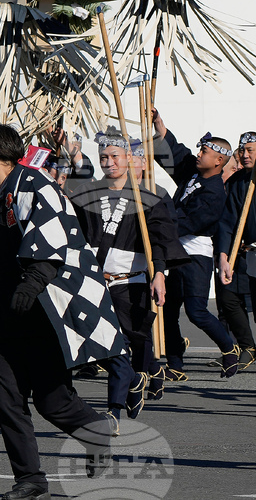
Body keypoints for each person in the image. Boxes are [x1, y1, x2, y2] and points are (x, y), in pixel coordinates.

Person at [0, 122, 118, 500]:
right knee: (4, 393)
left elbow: (53, 249)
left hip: (44, 312)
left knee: (51, 399)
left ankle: (96, 431)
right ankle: (30, 478)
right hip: (7, 316)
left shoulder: (36, 186)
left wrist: (30, 285)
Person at [70, 129, 188, 428]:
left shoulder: (147, 196)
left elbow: (161, 238)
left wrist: (159, 273)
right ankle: (134, 379)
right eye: (103, 158)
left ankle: (113, 411)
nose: (108, 162)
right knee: (100, 342)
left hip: (129, 280)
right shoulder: (88, 194)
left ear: (128, 159)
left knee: (127, 341)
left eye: (114, 157)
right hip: (95, 279)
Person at [151, 112, 239, 380]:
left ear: (219, 161)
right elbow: (177, 153)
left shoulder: (214, 193)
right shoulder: (193, 172)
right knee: (168, 308)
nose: (199, 153)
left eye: (204, 151)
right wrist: (159, 127)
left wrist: (161, 227)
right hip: (177, 250)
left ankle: (229, 348)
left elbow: (189, 222)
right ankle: (176, 364)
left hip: (196, 255)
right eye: (200, 149)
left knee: (196, 310)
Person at [216, 131, 256, 372]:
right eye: (243, 150)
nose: (245, 154)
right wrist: (223, 254)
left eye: (251, 150)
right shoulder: (239, 182)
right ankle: (247, 346)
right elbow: (227, 221)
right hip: (249, 254)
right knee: (229, 298)